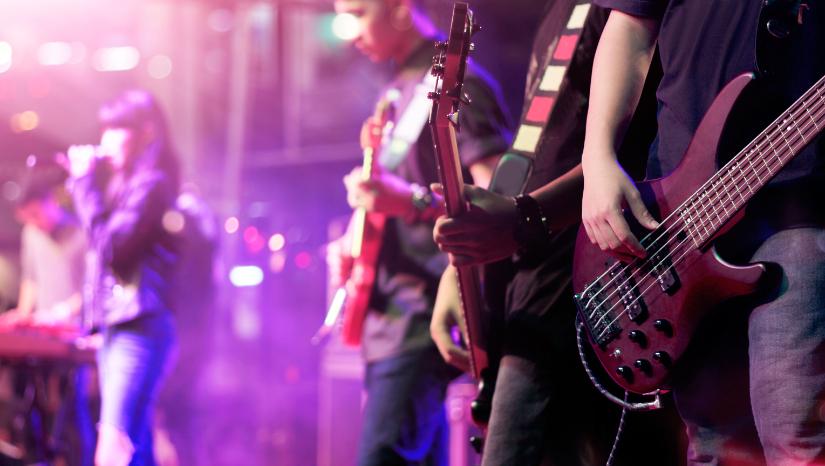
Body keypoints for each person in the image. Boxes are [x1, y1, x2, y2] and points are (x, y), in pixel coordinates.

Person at [431, 1, 687, 464]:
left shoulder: (632, 15)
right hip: (534, 291)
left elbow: (638, 151)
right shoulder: (557, 14)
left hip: (601, 283)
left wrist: (527, 219)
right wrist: (461, 268)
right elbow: (529, 160)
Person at [579, 1, 825, 464]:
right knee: (712, 444)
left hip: (800, 200)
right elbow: (630, 25)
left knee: (794, 431)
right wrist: (597, 159)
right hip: (681, 216)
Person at [328, 0, 512, 463]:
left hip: (424, 314)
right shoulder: (394, 90)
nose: (347, 30)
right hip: (387, 318)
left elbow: (503, 203)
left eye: (358, 12)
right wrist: (352, 239)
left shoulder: (457, 84)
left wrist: (410, 201)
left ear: (400, 9)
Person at [67, 90, 180, 466]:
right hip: (121, 326)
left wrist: (83, 185)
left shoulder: (152, 185)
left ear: (147, 131)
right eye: (105, 130)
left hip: (140, 326)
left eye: (117, 129)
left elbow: (111, 248)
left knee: (113, 446)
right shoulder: (125, 185)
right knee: (135, 443)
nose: (106, 142)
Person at [0, 158, 94, 466]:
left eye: (37, 215)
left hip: (73, 333)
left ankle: (76, 457)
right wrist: (23, 317)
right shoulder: (31, 234)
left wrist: (64, 312)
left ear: (51, 201)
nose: (35, 223)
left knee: (70, 405)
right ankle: (31, 452)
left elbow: (93, 290)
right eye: (28, 219)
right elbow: (31, 279)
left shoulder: (82, 233)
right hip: (42, 332)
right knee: (25, 398)